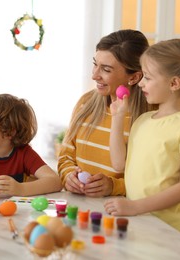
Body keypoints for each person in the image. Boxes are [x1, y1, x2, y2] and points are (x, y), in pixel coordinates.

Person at [104, 39, 180, 238]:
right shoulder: (142, 120)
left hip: (170, 230)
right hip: (139, 222)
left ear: (174, 83)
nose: (141, 83)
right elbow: (119, 164)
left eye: (148, 78)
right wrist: (117, 119)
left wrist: (135, 207)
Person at [58, 29, 154, 197]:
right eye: (95, 64)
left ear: (134, 77)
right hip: (80, 208)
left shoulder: (151, 118)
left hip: (124, 214)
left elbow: (152, 180)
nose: (95, 75)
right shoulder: (85, 103)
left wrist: (114, 186)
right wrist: (68, 177)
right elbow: (66, 155)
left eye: (106, 70)